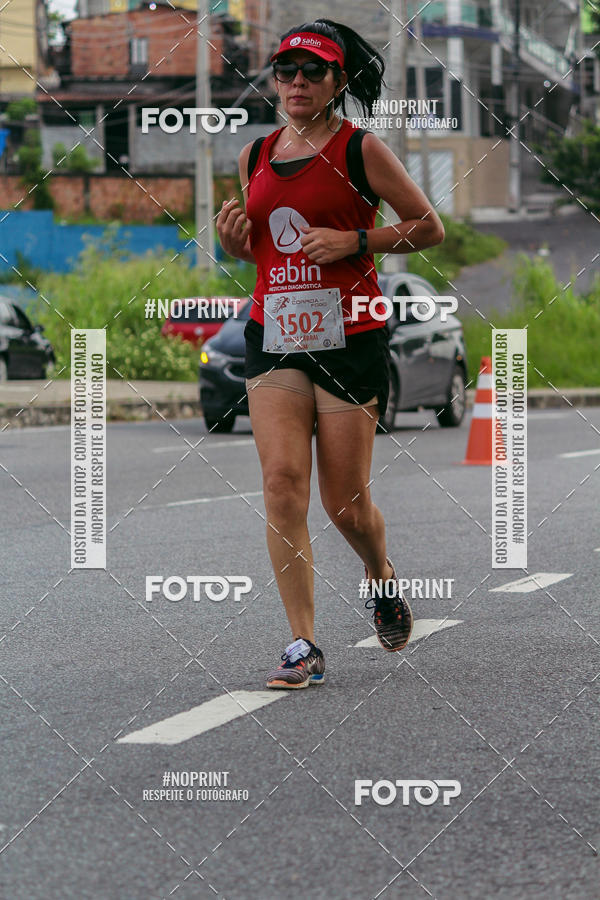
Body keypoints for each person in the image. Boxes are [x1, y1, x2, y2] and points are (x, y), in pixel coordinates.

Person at [216, 19, 445, 689]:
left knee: (345, 504)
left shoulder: (360, 149)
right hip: (275, 332)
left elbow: (429, 227)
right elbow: (260, 251)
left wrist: (356, 242)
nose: (294, 81)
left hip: (351, 332)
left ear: (337, 82)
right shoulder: (254, 154)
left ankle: (380, 576)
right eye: (285, 70)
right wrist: (234, 244)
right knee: (282, 483)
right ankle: (302, 645)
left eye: (311, 71)